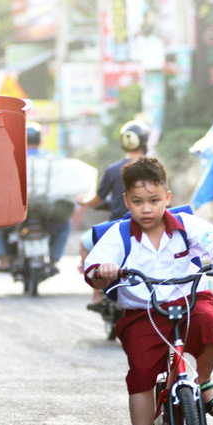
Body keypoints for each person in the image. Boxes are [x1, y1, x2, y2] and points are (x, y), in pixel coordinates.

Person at [84, 157, 213, 425]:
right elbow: (94, 271)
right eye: (137, 202)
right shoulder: (119, 235)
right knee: (141, 374)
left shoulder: (187, 227)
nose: (146, 209)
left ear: (167, 198)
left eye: (154, 201)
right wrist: (103, 274)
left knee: (212, 324)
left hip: (189, 301)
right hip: (142, 313)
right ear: (127, 201)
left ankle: (202, 381)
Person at [78, 120, 150, 307]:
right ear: (145, 142)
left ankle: (96, 296)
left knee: (85, 243)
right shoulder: (154, 169)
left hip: (116, 228)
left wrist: (83, 200)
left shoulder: (113, 170)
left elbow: (97, 200)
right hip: (149, 228)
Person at [0, 122, 72, 275]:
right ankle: (53, 260)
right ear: (39, 141)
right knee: (65, 225)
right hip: (46, 209)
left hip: (16, 209)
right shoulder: (51, 159)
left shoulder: (11, 157)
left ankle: (4, 260)